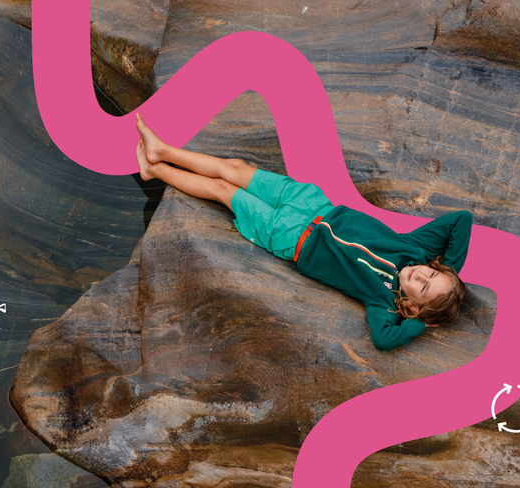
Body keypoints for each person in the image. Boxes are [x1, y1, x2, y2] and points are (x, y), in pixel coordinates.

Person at [134, 114, 472, 351]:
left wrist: (419, 325)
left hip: (292, 237)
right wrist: (451, 272)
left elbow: (384, 340)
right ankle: (161, 150)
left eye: (422, 287)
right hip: (312, 203)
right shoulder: (414, 250)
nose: (420, 274)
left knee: (225, 190)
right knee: (235, 168)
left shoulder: (383, 302)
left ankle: (155, 170)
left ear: (412, 307)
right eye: (431, 272)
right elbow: (461, 219)